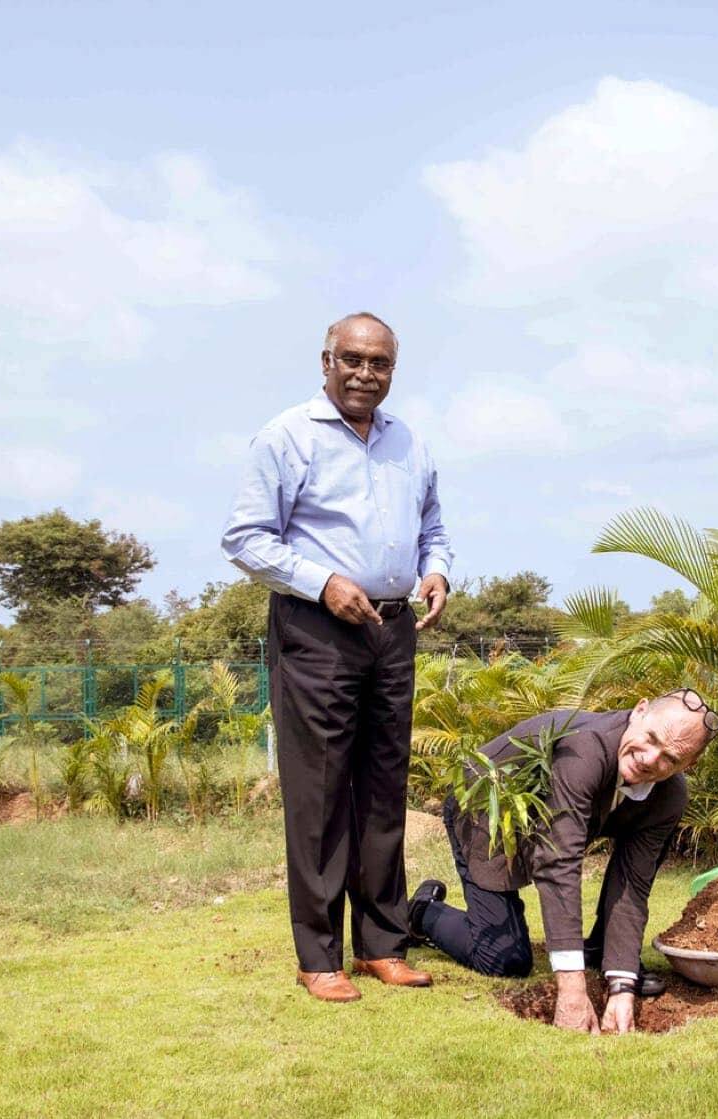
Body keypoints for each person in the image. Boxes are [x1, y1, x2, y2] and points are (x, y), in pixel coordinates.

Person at [221, 312, 453, 1004]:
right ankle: (318, 953)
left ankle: (382, 944)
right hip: (317, 631)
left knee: (384, 791)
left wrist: (436, 569)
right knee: (320, 795)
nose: (364, 373)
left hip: (393, 629)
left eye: (379, 363)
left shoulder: (408, 442)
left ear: (392, 370)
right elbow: (244, 537)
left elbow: (433, 526)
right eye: (351, 359)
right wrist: (321, 581)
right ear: (326, 360)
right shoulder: (286, 437)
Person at [409, 690, 718, 1034]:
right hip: (485, 812)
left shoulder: (669, 796)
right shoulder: (585, 750)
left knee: (617, 956)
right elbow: (559, 862)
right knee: (502, 958)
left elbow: (634, 880)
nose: (649, 759)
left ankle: (607, 958)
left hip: (547, 820)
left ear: (688, 765)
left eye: (670, 758)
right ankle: (422, 912)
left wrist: (622, 983)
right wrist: (572, 989)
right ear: (639, 711)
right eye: (650, 739)